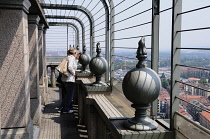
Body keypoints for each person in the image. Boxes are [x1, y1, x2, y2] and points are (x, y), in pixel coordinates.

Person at [60, 48, 78, 113]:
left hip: (64, 79)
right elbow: (70, 67)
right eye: (76, 53)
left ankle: (63, 107)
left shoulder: (67, 57)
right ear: (74, 53)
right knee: (69, 95)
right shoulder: (72, 58)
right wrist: (74, 74)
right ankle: (66, 109)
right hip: (69, 79)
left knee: (65, 94)